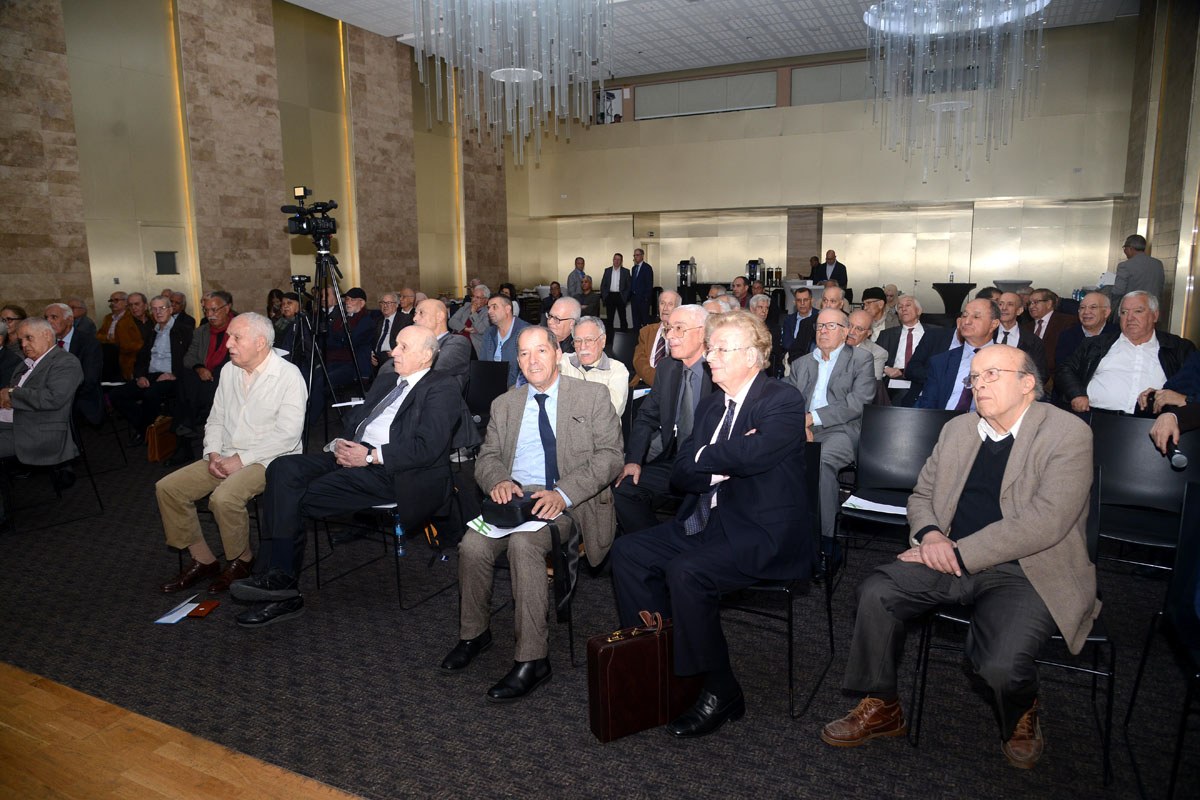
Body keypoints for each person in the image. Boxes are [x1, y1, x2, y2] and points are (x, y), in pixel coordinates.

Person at [821, 345, 1098, 772]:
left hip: (1026, 569)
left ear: (1028, 383)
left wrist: (958, 551)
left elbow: (1046, 523)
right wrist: (931, 534)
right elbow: (921, 496)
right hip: (946, 555)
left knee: (1001, 665)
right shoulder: (959, 429)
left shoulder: (1067, 433)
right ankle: (883, 704)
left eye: (992, 374)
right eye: (975, 377)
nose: (979, 384)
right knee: (876, 592)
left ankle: (1021, 709)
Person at [612, 310, 811, 737]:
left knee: (687, 572)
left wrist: (709, 457)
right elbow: (683, 471)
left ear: (752, 356)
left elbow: (757, 455)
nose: (710, 357)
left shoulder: (782, 400)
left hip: (761, 531)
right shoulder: (710, 405)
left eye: (722, 349)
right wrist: (722, 460)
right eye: (711, 348)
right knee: (628, 551)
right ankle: (659, 658)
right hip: (704, 520)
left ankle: (721, 688)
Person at [231, 326, 467, 626]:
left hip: (397, 473)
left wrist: (369, 456)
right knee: (281, 469)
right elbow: (356, 420)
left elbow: (428, 447)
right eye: (395, 344)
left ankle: (278, 586)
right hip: (354, 456)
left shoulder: (442, 387)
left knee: (293, 497)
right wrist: (339, 444)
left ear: (426, 355)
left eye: (403, 347)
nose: (393, 351)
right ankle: (276, 581)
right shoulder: (388, 381)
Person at [440, 326, 621, 701]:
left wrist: (563, 494)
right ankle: (474, 634)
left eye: (540, 350)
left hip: (569, 499)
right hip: (515, 497)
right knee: (471, 546)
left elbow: (610, 456)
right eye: (523, 353)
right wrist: (498, 481)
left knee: (524, 545)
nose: (532, 360)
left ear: (558, 353)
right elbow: (488, 457)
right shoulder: (505, 404)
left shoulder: (591, 396)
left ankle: (533, 659)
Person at [155, 313, 307, 595]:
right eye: (229, 337)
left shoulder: (288, 376)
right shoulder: (229, 370)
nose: (228, 344)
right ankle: (203, 560)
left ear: (260, 343)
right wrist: (213, 452)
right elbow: (216, 419)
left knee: (224, 498)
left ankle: (242, 560)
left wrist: (241, 460)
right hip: (225, 454)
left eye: (236, 338)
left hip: (269, 459)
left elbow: (287, 436)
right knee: (169, 488)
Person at [614, 304, 712, 535]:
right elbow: (647, 416)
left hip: (710, 465)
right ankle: (654, 543)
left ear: (703, 332)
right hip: (675, 459)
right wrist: (633, 460)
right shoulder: (668, 367)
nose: (670, 336)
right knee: (623, 489)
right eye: (669, 329)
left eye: (679, 328)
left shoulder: (718, 369)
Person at [787, 309, 875, 552]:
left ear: (845, 332)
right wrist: (799, 424)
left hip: (842, 430)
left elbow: (857, 403)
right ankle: (782, 532)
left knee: (820, 461)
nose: (823, 331)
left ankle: (826, 541)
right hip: (802, 428)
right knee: (770, 453)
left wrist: (810, 419)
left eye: (830, 326)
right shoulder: (801, 363)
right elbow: (789, 401)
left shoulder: (861, 359)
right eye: (819, 326)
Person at [1055, 291, 1195, 414]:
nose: (1130, 318)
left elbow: (1194, 388)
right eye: (1124, 312)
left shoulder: (1178, 348)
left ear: (1155, 315)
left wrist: (1180, 398)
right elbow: (1065, 369)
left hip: (1153, 424)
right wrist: (1077, 394)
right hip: (1096, 418)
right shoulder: (1096, 344)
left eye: (1138, 311)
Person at [0, 318, 84, 468]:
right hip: (13, 421)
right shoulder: (27, 362)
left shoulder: (66, 362)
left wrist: (12, 394)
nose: (23, 345)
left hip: (35, 430)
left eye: (28, 338)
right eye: (21, 340)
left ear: (47, 335)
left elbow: (53, 399)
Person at [109, 296, 193, 442]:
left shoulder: (183, 331)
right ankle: (146, 428)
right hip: (151, 375)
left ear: (170, 310)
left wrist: (173, 374)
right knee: (116, 394)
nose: (158, 312)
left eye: (162, 308)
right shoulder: (152, 332)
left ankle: (145, 432)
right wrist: (140, 376)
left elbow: (190, 358)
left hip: (172, 376)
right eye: (154, 309)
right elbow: (141, 359)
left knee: (151, 394)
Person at [171, 291, 236, 463]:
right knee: (187, 376)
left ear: (227, 308)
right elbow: (189, 357)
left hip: (229, 377)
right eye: (206, 310)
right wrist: (199, 368)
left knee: (189, 392)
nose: (210, 315)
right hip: (204, 378)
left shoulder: (239, 328)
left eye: (214, 310)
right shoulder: (201, 331)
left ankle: (186, 429)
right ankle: (187, 428)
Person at [916, 299, 1001, 411]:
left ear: (994, 324)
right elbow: (928, 406)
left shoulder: (1009, 360)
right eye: (964, 316)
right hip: (946, 419)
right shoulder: (941, 362)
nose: (966, 321)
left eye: (976, 317)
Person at [44, 302, 103, 426]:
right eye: (46, 318)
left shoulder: (89, 343)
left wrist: (60, 396)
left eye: (54, 317)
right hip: (51, 397)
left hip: (80, 398)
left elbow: (89, 380)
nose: (48, 322)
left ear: (70, 319)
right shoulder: (45, 343)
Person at [559, 316, 628, 414]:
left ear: (603, 341)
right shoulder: (564, 361)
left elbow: (610, 412)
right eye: (578, 341)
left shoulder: (617, 370)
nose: (583, 347)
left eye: (589, 340)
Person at [880, 295, 939, 405]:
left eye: (908, 305)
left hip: (925, 379)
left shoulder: (936, 333)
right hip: (896, 381)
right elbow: (872, 358)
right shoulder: (886, 335)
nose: (903, 309)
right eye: (900, 307)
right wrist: (886, 368)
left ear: (918, 311)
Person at [1053, 291, 1116, 375]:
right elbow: (1063, 371)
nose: (1086, 312)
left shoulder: (1117, 335)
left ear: (1106, 312)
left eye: (1093, 307)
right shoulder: (1067, 336)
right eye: (1082, 307)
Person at [631, 289, 680, 387]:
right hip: (645, 382)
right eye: (662, 303)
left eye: (670, 304)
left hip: (671, 385)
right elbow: (638, 361)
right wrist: (656, 380)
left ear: (678, 308)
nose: (665, 308)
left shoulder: (682, 334)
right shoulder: (646, 331)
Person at [994, 292, 1048, 381]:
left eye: (1010, 304)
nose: (1003, 308)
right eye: (1000, 304)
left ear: (1019, 310)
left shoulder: (1033, 341)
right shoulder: (986, 335)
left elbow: (1041, 374)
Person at [483, 294, 530, 387]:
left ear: (507, 309)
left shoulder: (526, 332)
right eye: (488, 308)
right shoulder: (489, 333)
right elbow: (483, 365)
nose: (489, 311)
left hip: (518, 388)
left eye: (494, 307)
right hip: (491, 385)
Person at [1025, 288, 1074, 374]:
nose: (1031, 307)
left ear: (1049, 303)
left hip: (1055, 375)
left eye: (1035, 302)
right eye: (1029, 303)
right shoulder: (1026, 327)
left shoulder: (1067, 322)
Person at [1111, 234, 1165, 306]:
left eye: (1125, 248)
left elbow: (1118, 291)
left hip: (1132, 308)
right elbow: (1160, 288)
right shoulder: (1158, 264)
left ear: (1130, 248)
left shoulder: (1125, 266)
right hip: (1152, 307)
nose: (1124, 251)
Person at [450, 283, 492, 357]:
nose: (473, 299)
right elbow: (451, 321)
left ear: (486, 300)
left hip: (473, 345)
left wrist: (473, 313)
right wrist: (464, 328)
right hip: (456, 340)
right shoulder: (466, 306)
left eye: (477, 297)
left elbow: (481, 329)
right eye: (473, 296)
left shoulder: (488, 312)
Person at [748, 294, 784, 377]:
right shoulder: (744, 327)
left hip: (767, 369)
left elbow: (775, 353)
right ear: (752, 309)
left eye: (767, 308)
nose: (764, 311)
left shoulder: (774, 328)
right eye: (760, 307)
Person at [781, 286, 816, 369]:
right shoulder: (789, 320)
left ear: (811, 300)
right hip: (793, 357)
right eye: (799, 300)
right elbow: (786, 343)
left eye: (805, 300)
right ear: (795, 302)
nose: (802, 303)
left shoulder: (819, 317)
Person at [846, 309, 887, 380]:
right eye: (849, 325)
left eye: (859, 329)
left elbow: (871, 383)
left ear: (868, 333)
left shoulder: (876, 354)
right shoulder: (831, 342)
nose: (851, 332)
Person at [370, 292, 402, 372]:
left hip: (392, 356)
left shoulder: (404, 320)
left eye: (389, 303)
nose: (385, 306)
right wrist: (371, 354)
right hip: (376, 357)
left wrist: (397, 351)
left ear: (396, 305)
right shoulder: (376, 321)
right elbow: (370, 340)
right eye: (383, 303)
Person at [602, 252, 632, 330]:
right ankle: (609, 336)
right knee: (609, 319)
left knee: (623, 318)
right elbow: (603, 285)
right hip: (610, 296)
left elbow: (629, 286)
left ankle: (624, 335)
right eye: (615, 259)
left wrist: (625, 297)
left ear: (621, 261)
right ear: (613, 260)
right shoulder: (607, 270)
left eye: (619, 259)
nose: (617, 261)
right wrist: (605, 297)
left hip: (620, 296)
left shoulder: (626, 271)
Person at [630, 248, 655, 330]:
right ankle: (636, 336)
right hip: (634, 299)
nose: (635, 257)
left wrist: (646, 298)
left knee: (644, 320)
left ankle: (645, 337)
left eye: (637, 255)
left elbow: (649, 284)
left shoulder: (647, 268)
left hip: (643, 299)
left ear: (642, 256)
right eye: (634, 255)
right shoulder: (634, 268)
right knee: (635, 320)